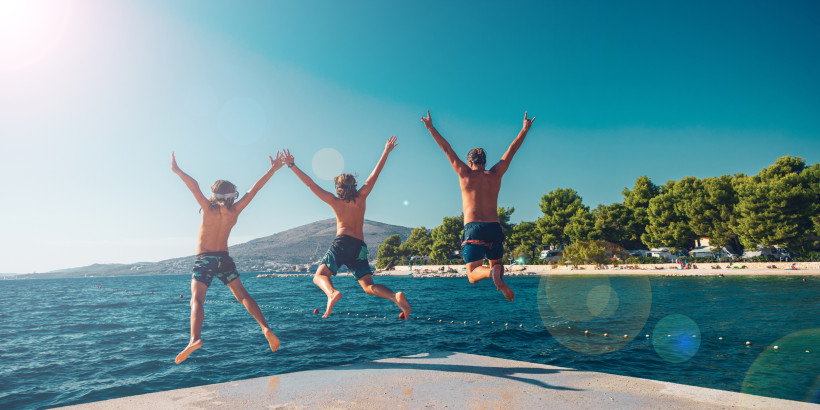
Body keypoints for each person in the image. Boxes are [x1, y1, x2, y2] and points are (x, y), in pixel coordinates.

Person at [171, 152, 283, 364]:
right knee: (242, 295)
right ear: (232, 196)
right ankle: (265, 328)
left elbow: (193, 185)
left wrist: (177, 170)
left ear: (214, 194)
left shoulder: (207, 209)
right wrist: (272, 170)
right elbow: (255, 190)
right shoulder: (234, 211)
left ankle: (194, 338)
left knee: (197, 299)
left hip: (205, 259)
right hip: (224, 258)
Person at [282, 137, 411, 319]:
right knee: (368, 286)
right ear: (354, 186)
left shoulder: (335, 201)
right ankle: (394, 296)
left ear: (338, 188)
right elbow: (375, 175)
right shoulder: (362, 197)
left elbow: (310, 184)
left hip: (342, 243)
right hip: (360, 246)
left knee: (319, 276)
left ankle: (331, 293)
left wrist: (292, 166)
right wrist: (386, 152)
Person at [421, 110, 535, 301]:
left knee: (472, 273)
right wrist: (524, 130)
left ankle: (491, 273)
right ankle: (495, 271)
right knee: (497, 265)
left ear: (469, 161)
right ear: (484, 162)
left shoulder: (465, 174)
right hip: (494, 227)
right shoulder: (495, 174)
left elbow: (447, 149)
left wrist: (431, 127)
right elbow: (511, 151)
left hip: (473, 228)